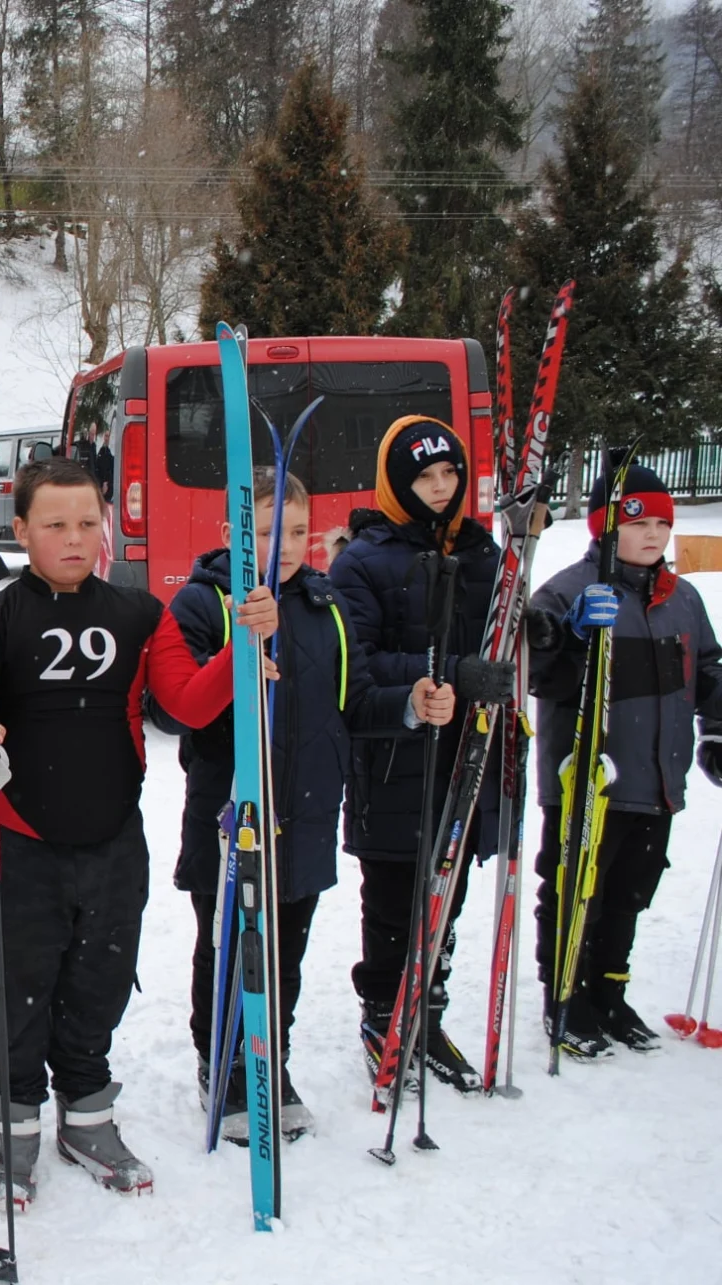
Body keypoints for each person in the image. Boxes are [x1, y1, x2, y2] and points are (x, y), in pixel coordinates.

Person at [0, 455, 275, 1206]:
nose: (74, 538)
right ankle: (15, 1123)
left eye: (88, 523)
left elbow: (187, 705)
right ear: (20, 528)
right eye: (55, 524)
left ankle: (86, 1115)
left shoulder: (137, 613)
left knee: (98, 985)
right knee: (16, 987)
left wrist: (243, 648)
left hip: (112, 840)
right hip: (19, 839)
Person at [157, 469, 448, 1142]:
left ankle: (269, 1057)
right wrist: (238, 656)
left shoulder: (325, 608)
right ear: (232, 533)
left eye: (293, 531)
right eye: (263, 530)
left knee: (284, 950)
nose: (282, 544)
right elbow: (183, 709)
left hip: (308, 812)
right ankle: (223, 1060)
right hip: (232, 815)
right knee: (228, 945)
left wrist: (409, 703)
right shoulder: (205, 603)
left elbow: (355, 699)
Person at [329, 416, 513, 1094]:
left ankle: (427, 1008)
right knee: (396, 901)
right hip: (394, 761)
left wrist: (533, 636)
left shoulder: (482, 551)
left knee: (448, 895)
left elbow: (501, 634)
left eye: (449, 475)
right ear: (396, 484)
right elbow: (358, 665)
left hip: (467, 758)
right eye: (425, 477)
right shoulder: (364, 560)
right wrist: (447, 671)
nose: (440, 488)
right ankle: (385, 1010)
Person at [525, 464, 722, 1055]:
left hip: (657, 777)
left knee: (632, 891)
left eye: (665, 522)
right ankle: (567, 995)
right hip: (590, 779)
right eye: (641, 522)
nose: (656, 534)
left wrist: (716, 730)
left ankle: (610, 989)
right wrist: (575, 635)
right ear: (606, 526)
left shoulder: (682, 599)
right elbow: (538, 676)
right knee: (576, 888)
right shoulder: (567, 591)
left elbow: (708, 670)